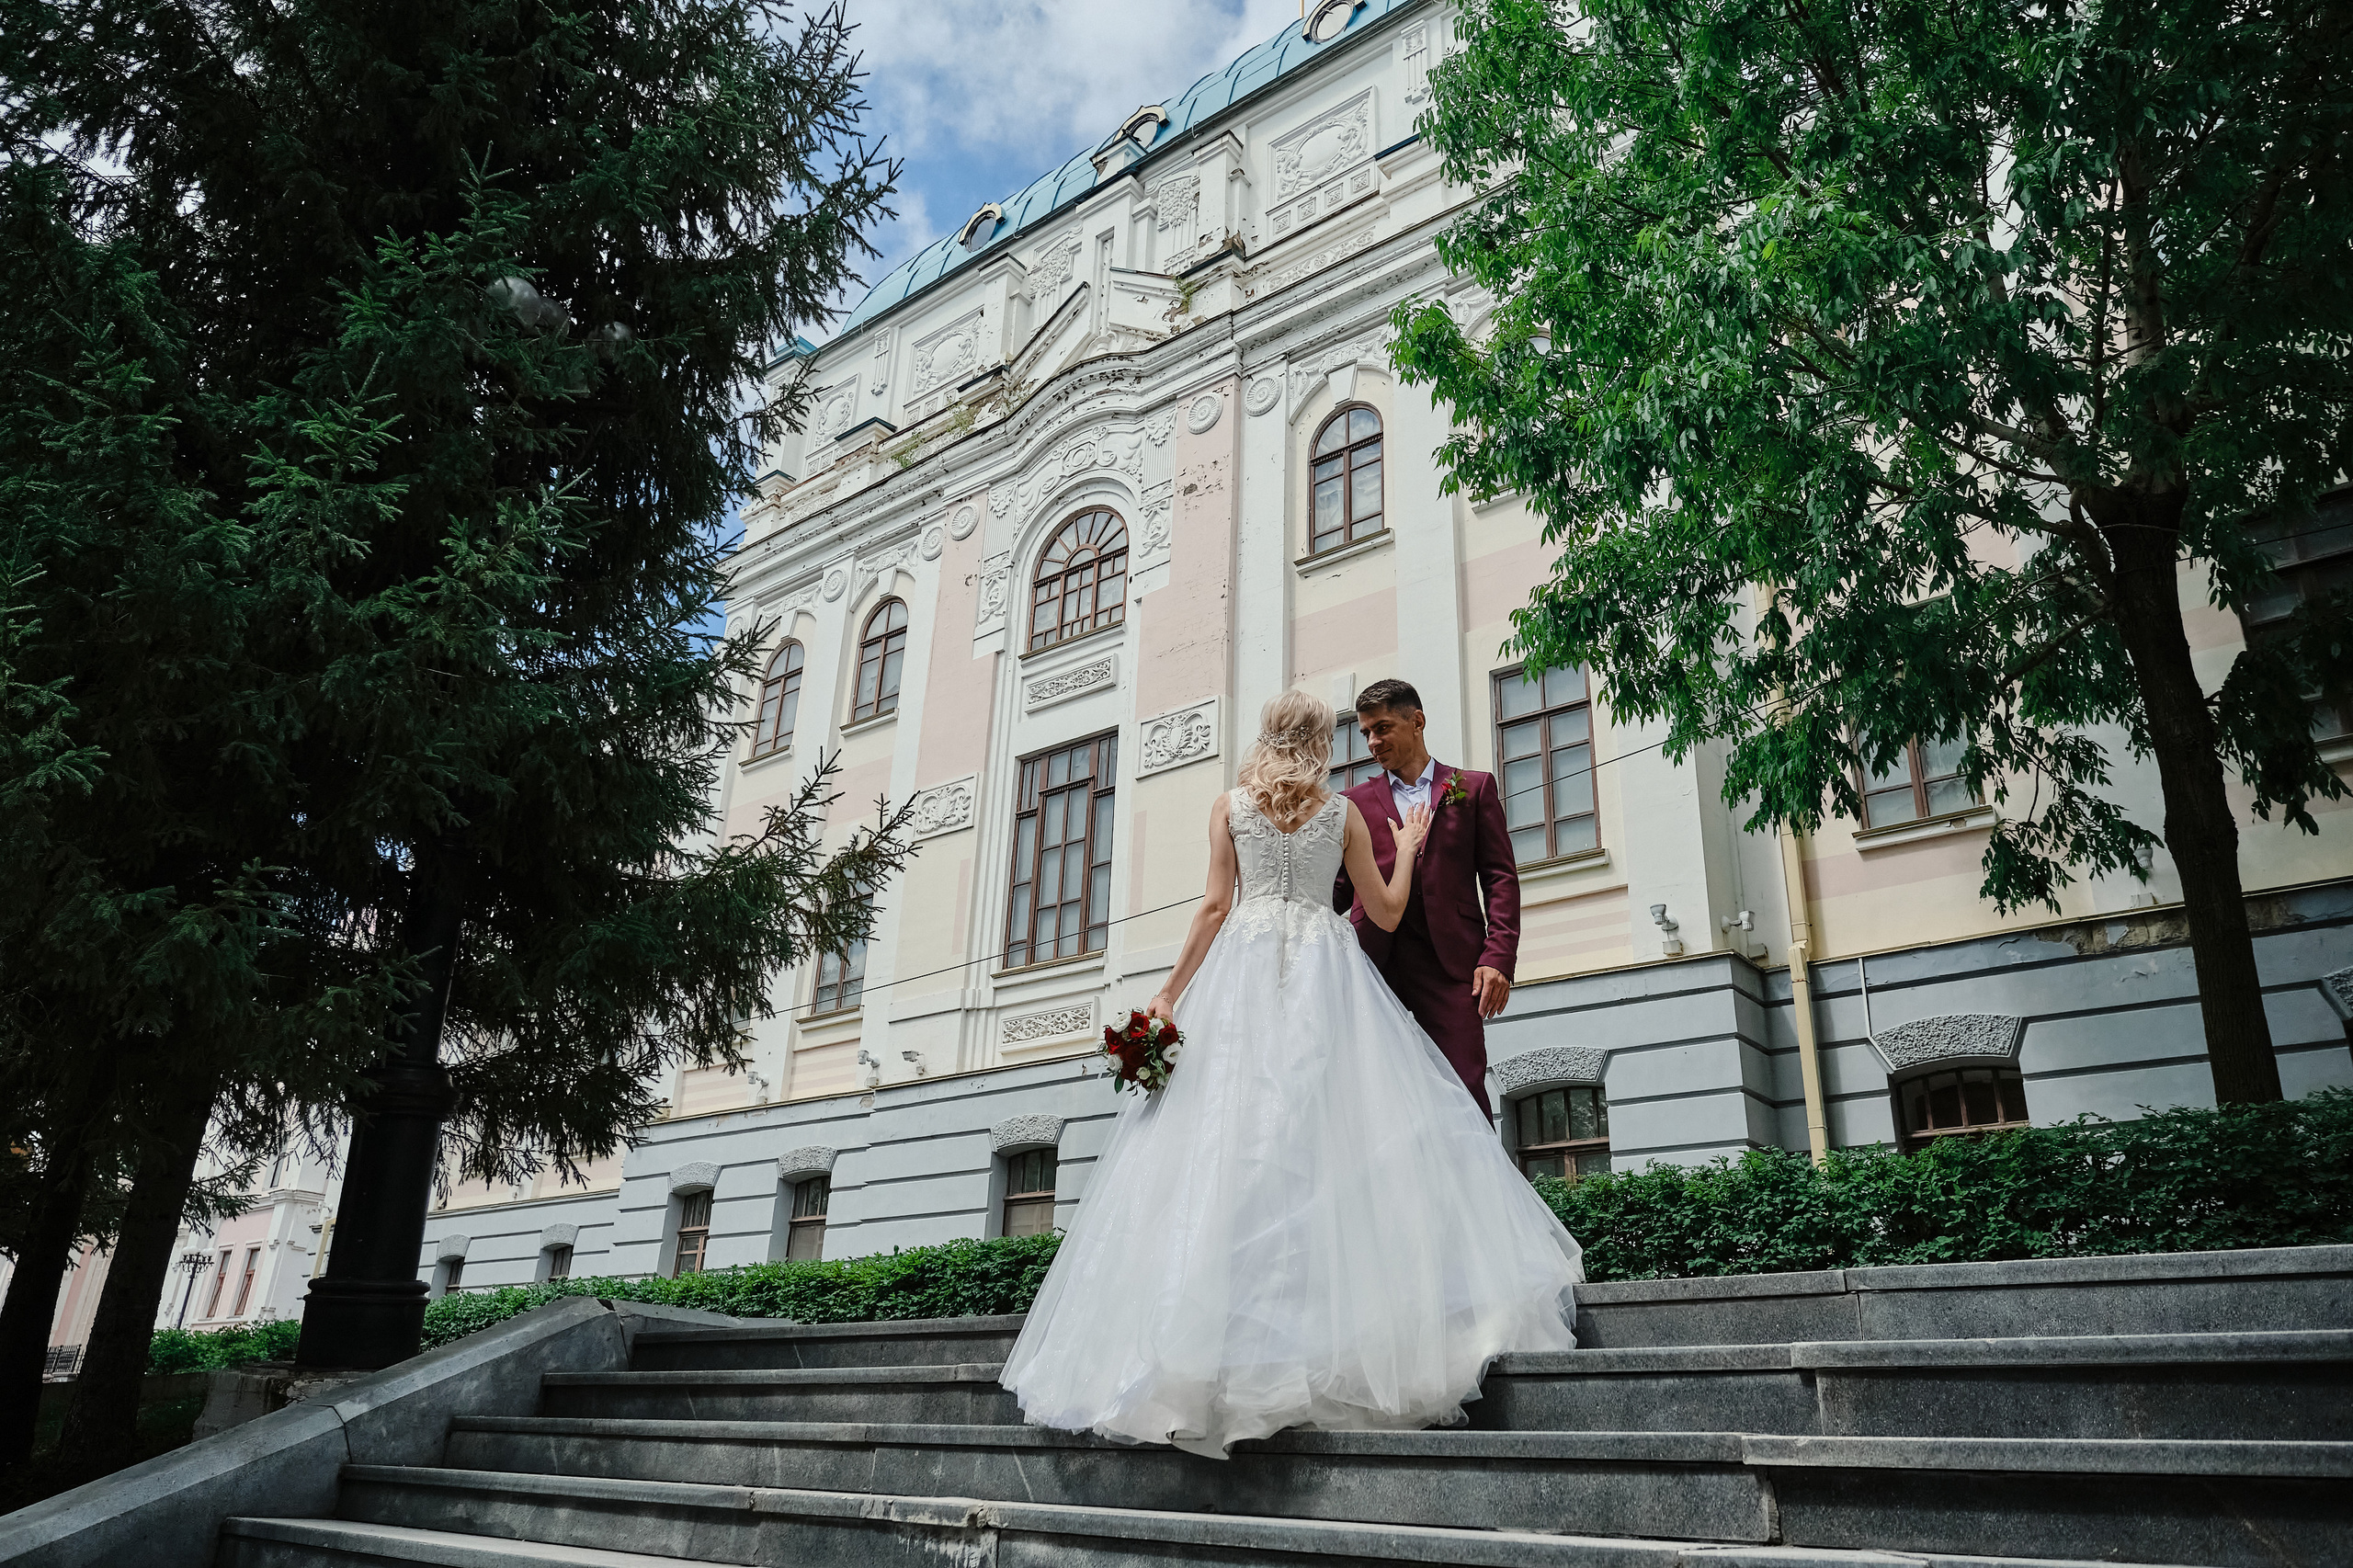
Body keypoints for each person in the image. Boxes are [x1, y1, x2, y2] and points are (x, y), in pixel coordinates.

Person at [997, 691, 1583, 1460]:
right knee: (1325, 1141)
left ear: (1265, 737)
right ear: (1320, 744)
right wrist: (1404, 849)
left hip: (1240, 970)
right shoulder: (1344, 814)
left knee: (1224, 1143)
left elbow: (1212, 908)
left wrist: (1169, 992)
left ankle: (1200, 1347)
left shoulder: (1228, 806)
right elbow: (1388, 911)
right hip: (1323, 973)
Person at [1332, 678, 1518, 1116]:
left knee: (1464, 1089)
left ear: (1416, 722)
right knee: (1379, 1099)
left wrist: (1497, 957)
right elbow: (1337, 888)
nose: (1373, 743)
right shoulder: (1352, 803)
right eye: (1365, 734)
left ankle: (1475, 1185)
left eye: (1381, 729)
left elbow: (1500, 879)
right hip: (1373, 967)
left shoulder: (1472, 789)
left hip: (1453, 967)